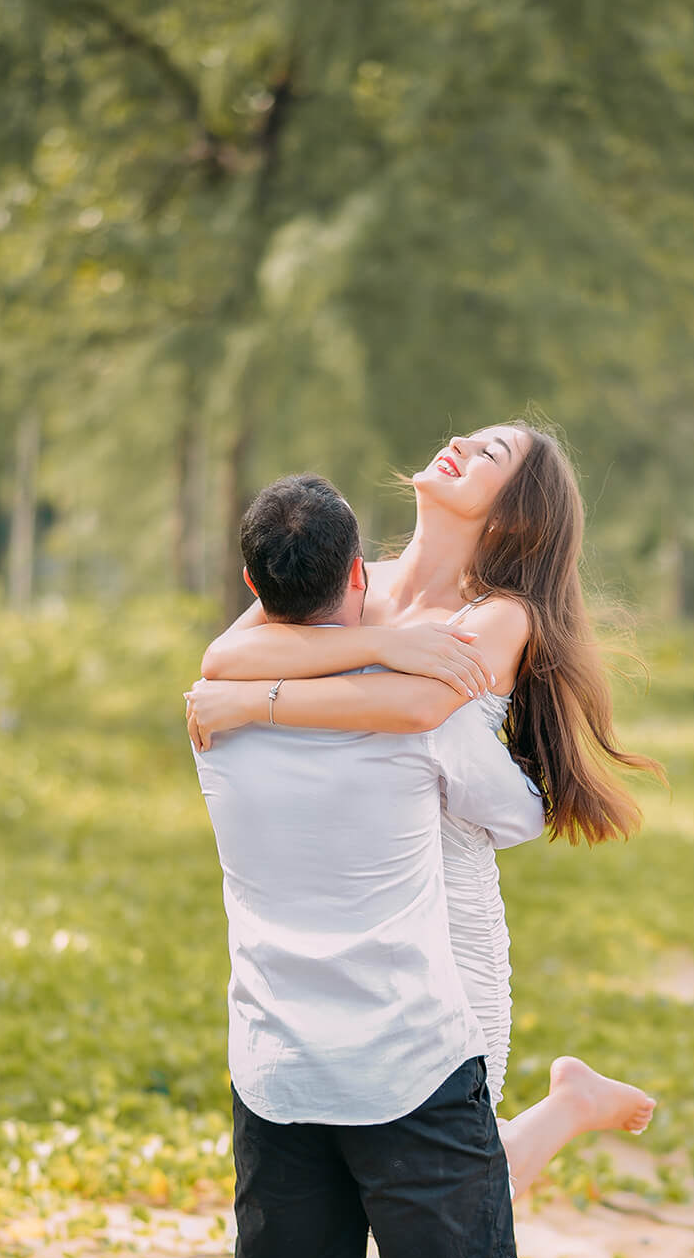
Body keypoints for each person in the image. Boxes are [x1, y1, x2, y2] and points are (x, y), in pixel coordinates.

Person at [193, 472, 547, 1258]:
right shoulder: (419, 713)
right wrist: (402, 663)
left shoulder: (213, 711)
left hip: (277, 1069)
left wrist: (288, 693)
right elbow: (511, 814)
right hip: (410, 1062)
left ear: (253, 585)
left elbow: (228, 666)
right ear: (359, 576)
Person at [186, 420, 660, 1196]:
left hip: (442, 916)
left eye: (488, 457)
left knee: (446, 1187)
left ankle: (567, 1109)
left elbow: (410, 712)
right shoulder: (352, 580)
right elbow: (223, 658)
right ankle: (569, 1101)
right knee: (379, 1168)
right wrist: (388, 643)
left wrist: (257, 704)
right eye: (467, 439)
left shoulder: (501, 616)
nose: (460, 449)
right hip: (349, 903)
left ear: (513, 517)